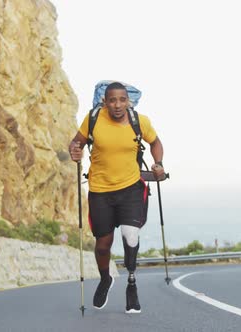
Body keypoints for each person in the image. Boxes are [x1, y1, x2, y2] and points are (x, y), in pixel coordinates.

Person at [69, 82, 165, 314]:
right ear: (105, 102)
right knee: (103, 245)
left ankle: (131, 284)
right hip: (100, 190)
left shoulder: (139, 121)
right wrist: (74, 150)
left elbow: (155, 142)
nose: (118, 105)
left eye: (122, 100)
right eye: (112, 100)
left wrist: (158, 164)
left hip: (131, 187)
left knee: (130, 234)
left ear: (127, 101)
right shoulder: (93, 118)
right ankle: (105, 279)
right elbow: (77, 142)